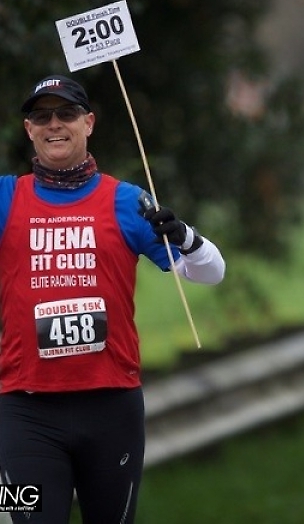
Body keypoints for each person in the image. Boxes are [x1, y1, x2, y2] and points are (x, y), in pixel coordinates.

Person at [0, 74, 226, 524]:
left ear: (88, 122)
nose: (53, 124)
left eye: (66, 113)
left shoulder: (127, 200)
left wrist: (185, 236)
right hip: (23, 411)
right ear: (28, 129)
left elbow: (212, 272)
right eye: (41, 116)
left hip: (112, 409)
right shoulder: (6, 197)